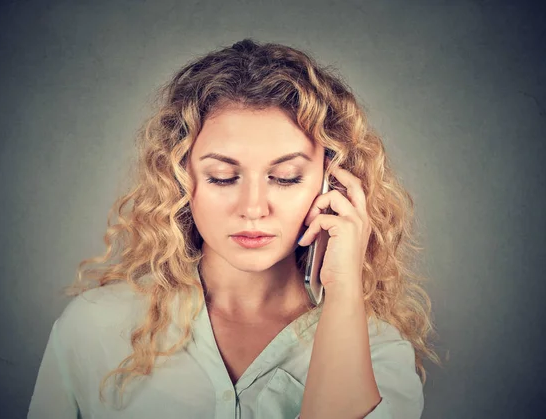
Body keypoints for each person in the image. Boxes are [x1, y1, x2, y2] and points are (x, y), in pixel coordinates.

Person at [27, 39, 441, 419]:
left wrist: (344, 288)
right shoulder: (93, 328)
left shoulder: (378, 353)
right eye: (224, 177)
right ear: (180, 179)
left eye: (286, 177)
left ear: (330, 184)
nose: (253, 208)